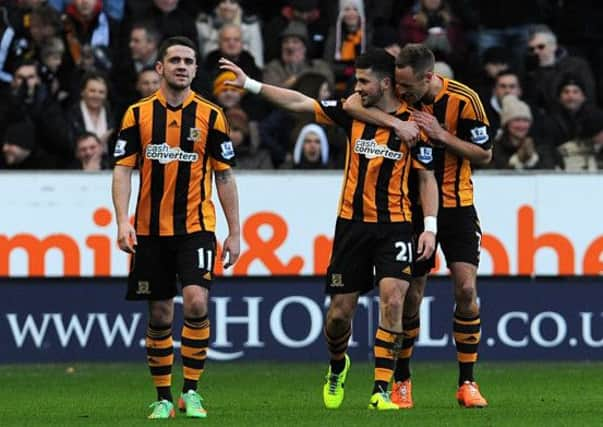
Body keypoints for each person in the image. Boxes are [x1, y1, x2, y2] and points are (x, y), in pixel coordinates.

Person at [219, 48, 438, 410]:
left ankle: (381, 389)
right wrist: (252, 85)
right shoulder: (353, 113)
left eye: (363, 80)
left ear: (385, 82)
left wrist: (428, 227)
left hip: (396, 225)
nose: (357, 87)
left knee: (394, 300)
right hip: (352, 225)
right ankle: (338, 366)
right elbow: (300, 104)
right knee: (338, 317)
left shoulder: (415, 123)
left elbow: (427, 179)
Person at [343, 44, 492, 409]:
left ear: (428, 77)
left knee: (466, 289)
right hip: (408, 209)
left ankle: (467, 383)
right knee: (411, 297)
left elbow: (485, 154)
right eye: (398, 84)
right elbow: (350, 103)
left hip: (457, 205)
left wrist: (442, 136)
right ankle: (402, 380)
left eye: (408, 86)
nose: (402, 91)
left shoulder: (465, 100)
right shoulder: (394, 96)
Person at [111, 36, 240, 420]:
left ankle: (192, 392)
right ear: (160, 68)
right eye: (175, 60)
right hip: (150, 230)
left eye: (189, 61)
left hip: (196, 227)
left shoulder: (212, 115)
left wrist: (235, 231)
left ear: (196, 70)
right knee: (161, 315)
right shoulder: (137, 114)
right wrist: (122, 220)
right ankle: (164, 397)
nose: (182, 66)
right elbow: (122, 171)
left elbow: (225, 176)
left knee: (198, 301)